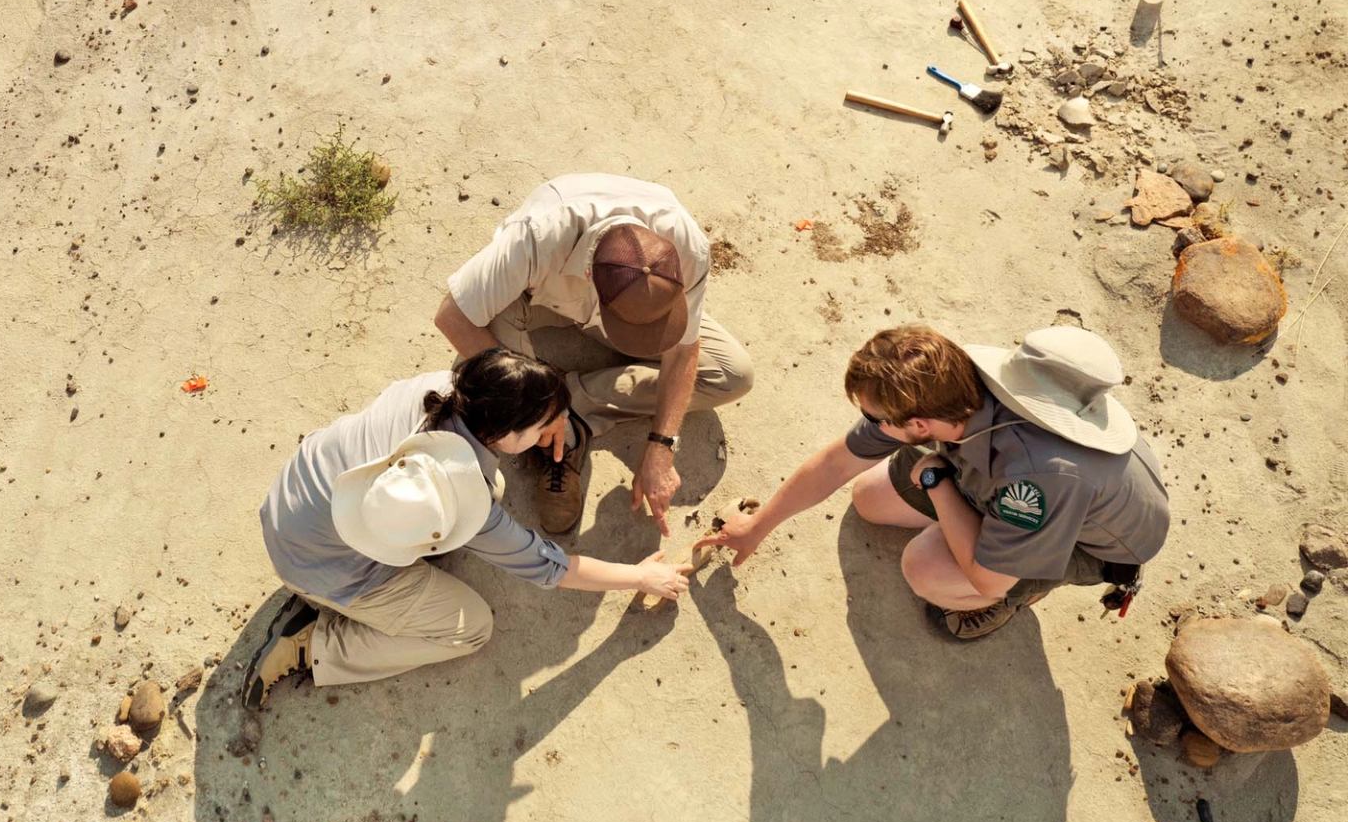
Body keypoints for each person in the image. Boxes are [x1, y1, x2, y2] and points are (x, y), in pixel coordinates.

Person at [244, 348, 694, 708]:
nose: (551, 431)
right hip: (319, 567)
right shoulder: (468, 504)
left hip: (292, 502)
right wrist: (641, 576)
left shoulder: (441, 385)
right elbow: (553, 569)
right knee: (469, 629)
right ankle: (310, 644)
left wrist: (548, 410)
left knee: (480, 495)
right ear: (504, 434)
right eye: (542, 427)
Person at [702, 325, 1169, 640]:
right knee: (869, 497)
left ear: (921, 424)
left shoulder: (1040, 476)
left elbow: (986, 574)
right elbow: (836, 464)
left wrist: (937, 482)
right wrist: (758, 527)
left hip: (1088, 542)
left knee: (926, 568)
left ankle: (1020, 593)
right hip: (1000, 477)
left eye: (873, 418)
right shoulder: (958, 383)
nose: (867, 423)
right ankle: (974, 521)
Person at [433, 173, 753, 538]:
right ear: (589, 275)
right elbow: (452, 316)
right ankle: (552, 428)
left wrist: (662, 444)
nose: (648, 340)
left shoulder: (687, 247)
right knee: (491, 392)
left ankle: (575, 414)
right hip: (533, 300)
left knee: (733, 375)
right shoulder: (537, 235)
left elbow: (684, 353)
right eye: (637, 329)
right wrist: (537, 402)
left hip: (610, 303)